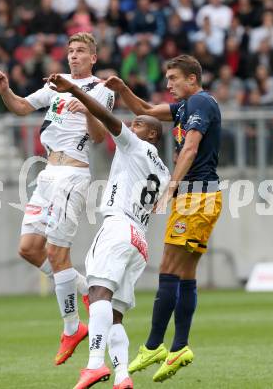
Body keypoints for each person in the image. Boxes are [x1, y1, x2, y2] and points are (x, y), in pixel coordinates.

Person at [0, 32, 115, 366]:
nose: (74, 56)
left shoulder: (101, 90)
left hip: (73, 174)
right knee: (29, 249)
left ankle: (72, 328)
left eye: (81, 51)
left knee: (58, 253)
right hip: (47, 175)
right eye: (71, 51)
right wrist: (4, 90)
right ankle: (87, 290)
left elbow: (100, 137)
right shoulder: (57, 85)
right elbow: (20, 107)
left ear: (93, 58)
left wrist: (85, 105)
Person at [45, 73, 170, 389]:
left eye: (138, 124)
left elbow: (106, 118)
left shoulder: (136, 146)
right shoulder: (165, 172)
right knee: (113, 315)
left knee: (98, 293)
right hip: (140, 240)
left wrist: (74, 90)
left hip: (119, 225)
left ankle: (94, 364)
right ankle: (123, 376)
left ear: (152, 134)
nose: (131, 126)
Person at [104, 54, 222, 383]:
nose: (168, 84)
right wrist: (123, 89)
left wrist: (171, 186)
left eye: (173, 78)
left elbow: (191, 148)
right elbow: (144, 109)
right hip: (201, 195)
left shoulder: (199, 102)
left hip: (195, 196)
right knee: (184, 273)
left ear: (192, 79)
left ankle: (155, 345)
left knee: (169, 269)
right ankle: (179, 346)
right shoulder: (186, 106)